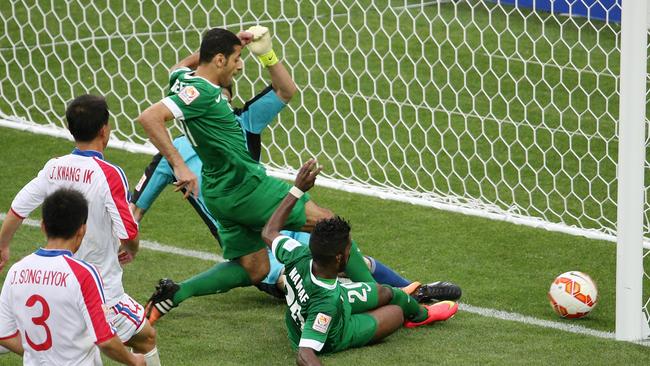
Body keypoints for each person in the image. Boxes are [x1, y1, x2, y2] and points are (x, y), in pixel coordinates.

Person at [130, 80, 461, 306]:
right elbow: (135, 211)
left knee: (344, 254)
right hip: (258, 240)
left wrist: (264, 54)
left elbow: (285, 89)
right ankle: (401, 302)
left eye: (225, 102)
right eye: (219, 103)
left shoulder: (240, 126)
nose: (223, 110)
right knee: (301, 277)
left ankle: (410, 291)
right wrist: (128, 240)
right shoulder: (172, 156)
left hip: (275, 224)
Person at [138, 26, 383, 323]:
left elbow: (178, 68)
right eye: (236, 59)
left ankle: (174, 294)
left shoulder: (183, 81)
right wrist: (180, 166)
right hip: (245, 187)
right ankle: (375, 295)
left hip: (218, 194)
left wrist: (228, 46)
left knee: (256, 268)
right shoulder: (201, 92)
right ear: (218, 60)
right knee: (330, 226)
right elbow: (149, 118)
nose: (240, 65)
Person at [0, 95, 160, 365]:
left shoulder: (53, 167)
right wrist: (131, 250)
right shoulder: (108, 174)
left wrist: (3, 245)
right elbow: (129, 232)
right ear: (104, 130)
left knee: (27, 333)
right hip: (101, 290)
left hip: (52, 280)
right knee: (145, 338)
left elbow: (18, 208)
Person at [261, 160, 458, 366]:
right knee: (396, 313)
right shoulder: (325, 304)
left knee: (386, 292)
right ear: (339, 257)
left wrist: (298, 189)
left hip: (334, 301)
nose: (351, 251)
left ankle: (422, 314)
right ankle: (411, 316)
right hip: (335, 333)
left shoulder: (298, 254)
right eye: (349, 248)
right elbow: (304, 353)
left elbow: (268, 232)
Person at [0, 188, 145, 366]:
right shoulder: (84, 274)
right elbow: (105, 339)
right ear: (82, 230)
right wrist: (134, 360)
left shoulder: (16, 271)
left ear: (43, 226)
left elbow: (4, 334)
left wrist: (43, 357)